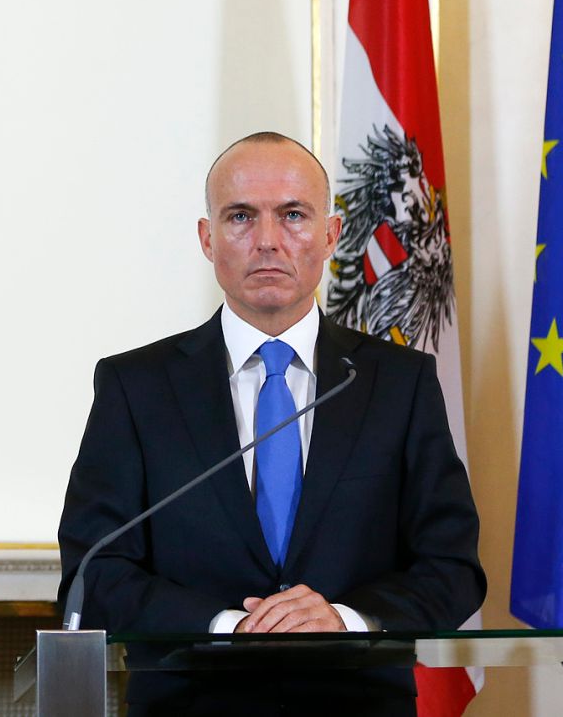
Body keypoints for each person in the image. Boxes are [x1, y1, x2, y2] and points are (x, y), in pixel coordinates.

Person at [56, 132, 484, 716]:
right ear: (207, 239)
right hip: (193, 705)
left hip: (355, 704)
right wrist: (228, 627)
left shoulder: (398, 383)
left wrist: (346, 621)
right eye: (240, 217)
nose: (267, 240)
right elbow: (95, 571)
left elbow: (452, 567)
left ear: (331, 235)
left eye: (293, 215)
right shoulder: (135, 386)